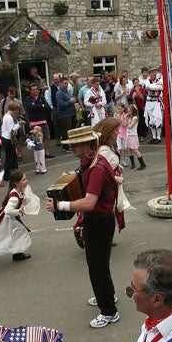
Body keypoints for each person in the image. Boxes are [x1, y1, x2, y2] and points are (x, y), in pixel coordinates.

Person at [46, 126, 120, 329]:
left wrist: (59, 205)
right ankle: (108, 296)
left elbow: (89, 203)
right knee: (100, 266)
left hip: (98, 221)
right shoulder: (96, 161)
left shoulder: (95, 168)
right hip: (101, 220)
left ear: (88, 144)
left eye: (75, 145)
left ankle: (109, 312)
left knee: (97, 268)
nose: (71, 149)